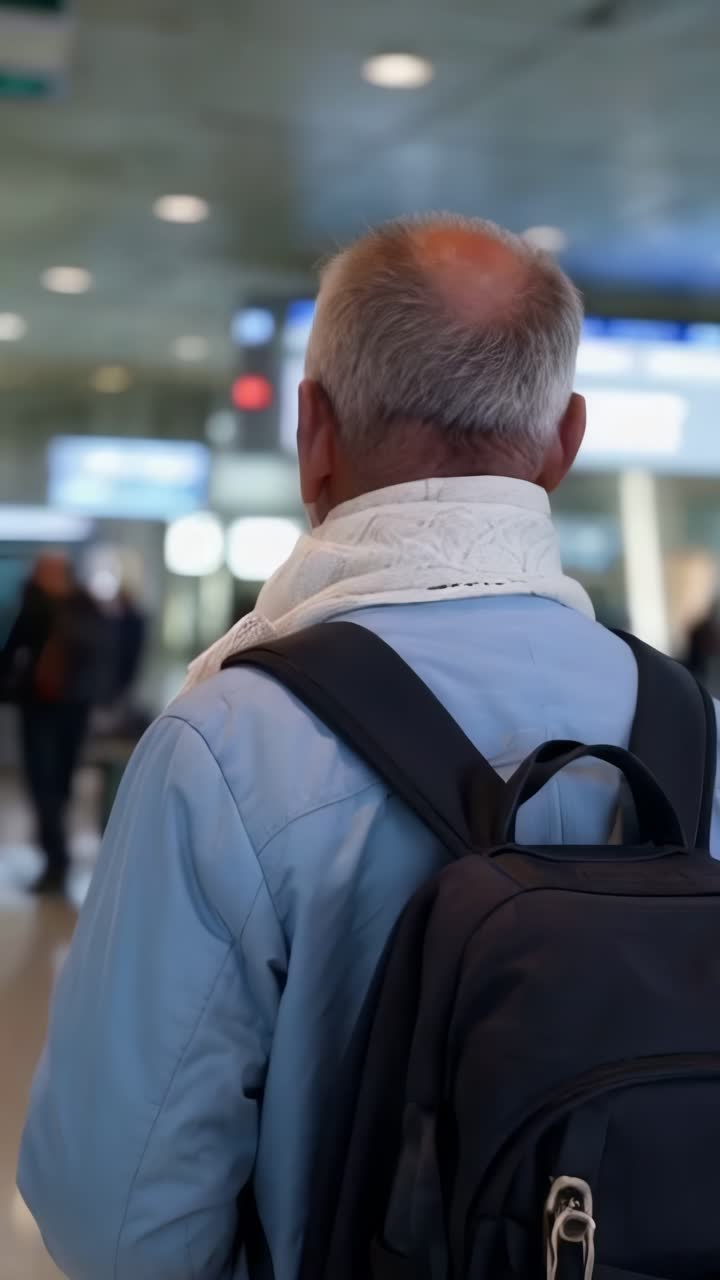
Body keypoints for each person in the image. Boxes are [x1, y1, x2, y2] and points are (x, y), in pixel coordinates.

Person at [18, 216, 720, 1278]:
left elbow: (116, 1218)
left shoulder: (229, 743)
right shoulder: (691, 728)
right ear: (566, 443)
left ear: (314, 431)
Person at [0, 552, 103, 895]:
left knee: (50, 786)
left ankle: (56, 859)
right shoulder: (70, 605)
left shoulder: (56, 607)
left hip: (56, 709)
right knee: (51, 785)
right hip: (58, 708)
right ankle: (56, 858)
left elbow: (14, 656)